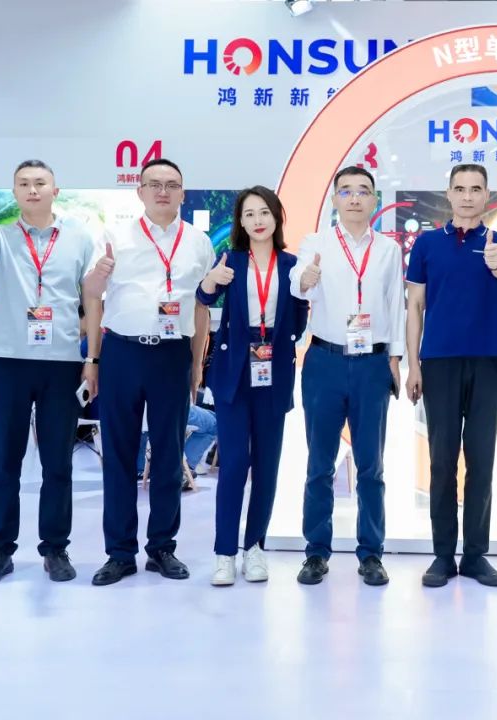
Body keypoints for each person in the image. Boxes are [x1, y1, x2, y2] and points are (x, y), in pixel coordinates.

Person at [0, 160, 98, 585]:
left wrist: (92, 360)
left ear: (56, 190)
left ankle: (55, 549)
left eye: (40, 183)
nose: (32, 189)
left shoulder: (79, 237)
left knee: (58, 463)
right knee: (6, 461)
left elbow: (92, 298)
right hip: (8, 362)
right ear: (15, 193)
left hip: (61, 364)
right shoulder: (0, 235)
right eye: (23, 184)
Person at [82, 158, 214, 586]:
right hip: (122, 351)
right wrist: (93, 360)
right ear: (139, 191)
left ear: (182, 193)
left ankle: (162, 548)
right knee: (119, 454)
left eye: (171, 184)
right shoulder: (115, 236)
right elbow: (92, 296)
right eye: (154, 184)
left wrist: (196, 364)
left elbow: (200, 307)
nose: (162, 191)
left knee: (170, 453)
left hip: (172, 355)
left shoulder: (198, 242)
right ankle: (120, 553)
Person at [289, 166, 404, 587]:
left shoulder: (389, 249)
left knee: (371, 465)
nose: (355, 198)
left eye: (363, 191)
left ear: (374, 199)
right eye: (347, 191)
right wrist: (305, 278)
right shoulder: (316, 243)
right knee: (320, 463)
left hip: (372, 363)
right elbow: (298, 284)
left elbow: (395, 304)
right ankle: (316, 552)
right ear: (335, 199)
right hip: (325, 361)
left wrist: (395, 358)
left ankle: (371, 553)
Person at [405, 163, 497, 588]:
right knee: (442, 460)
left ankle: (474, 555)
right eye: (460, 188)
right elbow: (415, 307)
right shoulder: (427, 243)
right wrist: (414, 364)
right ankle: (442, 555)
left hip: (487, 359)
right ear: (448, 194)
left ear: (487, 195)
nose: (468, 196)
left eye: (475, 189)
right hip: (439, 361)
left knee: (481, 459)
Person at [197, 186, 308, 586]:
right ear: (240, 222)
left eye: (264, 212)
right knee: (232, 465)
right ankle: (224, 552)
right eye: (249, 214)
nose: (258, 220)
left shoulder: (292, 265)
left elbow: (298, 323)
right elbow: (203, 297)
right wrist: (211, 280)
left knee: (266, 465)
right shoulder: (232, 260)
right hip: (234, 373)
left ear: (277, 217)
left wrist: (305, 289)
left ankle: (255, 547)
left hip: (273, 371)